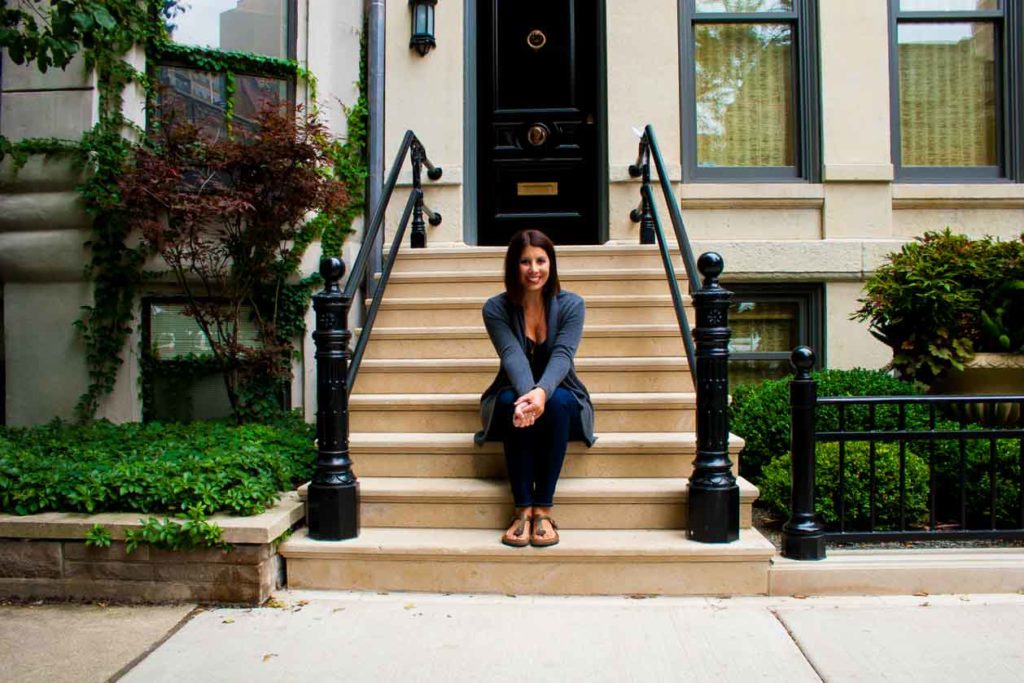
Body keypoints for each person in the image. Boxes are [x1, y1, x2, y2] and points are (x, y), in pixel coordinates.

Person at [475, 229, 595, 548]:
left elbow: (563, 356)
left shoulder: (572, 305)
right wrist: (529, 398)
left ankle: (542, 508)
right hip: (513, 389)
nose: (534, 269)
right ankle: (521, 509)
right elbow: (511, 354)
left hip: (561, 389)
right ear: (513, 266)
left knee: (557, 405)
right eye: (524, 261)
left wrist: (541, 394)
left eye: (541, 260)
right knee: (510, 402)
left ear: (551, 264)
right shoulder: (495, 308)